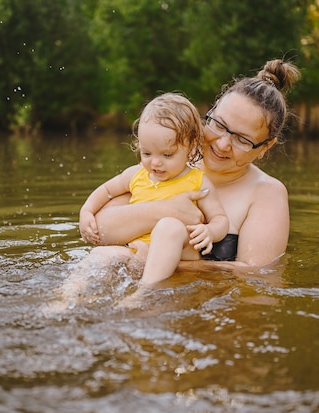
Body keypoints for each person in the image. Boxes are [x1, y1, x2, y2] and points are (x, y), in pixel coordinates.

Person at [82, 58, 301, 273]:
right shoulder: (171, 162)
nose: (223, 144)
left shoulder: (266, 193)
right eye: (219, 125)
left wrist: (162, 262)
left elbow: (257, 275)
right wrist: (164, 211)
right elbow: (98, 232)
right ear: (210, 113)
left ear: (265, 147)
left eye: (242, 140)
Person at [80, 92, 229, 285]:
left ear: (191, 149)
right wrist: (87, 211)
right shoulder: (136, 174)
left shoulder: (198, 181)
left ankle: (144, 292)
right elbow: (106, 190)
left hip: (178, 257)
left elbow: (220, 218)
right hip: (137, 253)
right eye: (147, 153)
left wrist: (210, 231)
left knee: (169, 226)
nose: (156, 163)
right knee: (100, 255)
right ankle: (66, 298)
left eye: (167, 155)